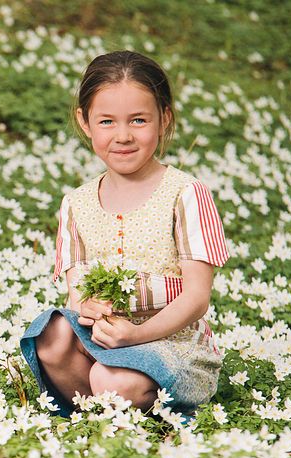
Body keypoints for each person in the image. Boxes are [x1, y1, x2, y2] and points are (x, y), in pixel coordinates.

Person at [20, 51, 229, 417]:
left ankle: (113, 396)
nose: (122, 136)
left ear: (163, 119)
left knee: (111, 380)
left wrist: (134, 336)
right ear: (83, 122)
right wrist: (85, 307)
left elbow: (197, 297)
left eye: (137, 120)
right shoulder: (76, 203)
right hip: (103, 342)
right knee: (51, 336)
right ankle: (106, 403)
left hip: (174, 347)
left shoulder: (185, 194)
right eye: (106, 121)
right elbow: (77, 294)